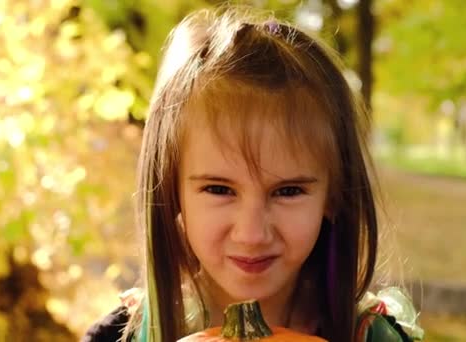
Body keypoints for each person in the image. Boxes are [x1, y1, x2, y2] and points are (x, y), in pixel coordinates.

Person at [83, 6, 423, 342]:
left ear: (333, 196)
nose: (251, 234)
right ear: (173, 192)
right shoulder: (118, 337)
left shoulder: (374, 337)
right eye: (219, 189)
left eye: (288, 191)